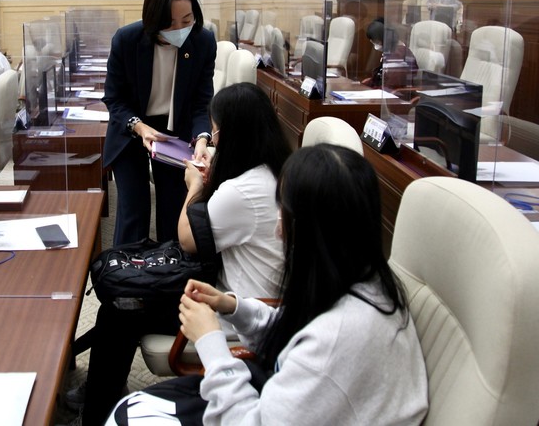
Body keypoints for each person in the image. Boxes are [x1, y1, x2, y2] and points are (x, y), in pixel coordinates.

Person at [109, 144, 429, 425]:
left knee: (127, 416)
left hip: (251, 409)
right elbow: (295, 329)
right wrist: (233, 307)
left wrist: (210, 341)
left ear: (315, 232)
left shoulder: (337, 339)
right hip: (267, 391)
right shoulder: (365, 281)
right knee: (132, 408)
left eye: (284, 214)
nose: (278, 231)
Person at [79, 82, 291, 426]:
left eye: (216, 133)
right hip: (240, 295)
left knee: (120, 310)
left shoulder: (242, 191)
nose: (214, 141)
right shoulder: (272, 170)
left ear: (233, 134)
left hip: (239, 311)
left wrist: (195, 186)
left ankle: (96, 411)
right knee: (122, 308)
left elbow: (188, 238)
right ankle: (100, 396)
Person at [103, 0, 217, 246]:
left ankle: (169, 265)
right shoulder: (127, 39)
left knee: (174, 205)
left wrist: (202, 139)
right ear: (153, 18)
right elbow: (114, 99)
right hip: (132, 128)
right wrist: (140, 128)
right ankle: (127, 266)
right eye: (170, 23)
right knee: (133, 207)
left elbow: (201, 102)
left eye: (186, 20)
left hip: (175, 133)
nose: (179, 29)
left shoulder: (203, 41)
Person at [361, 17, 416, 88]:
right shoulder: (390, 52)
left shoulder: (398, 55)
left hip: (395, 92)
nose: (375, 44)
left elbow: (393, 85)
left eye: (376, 41)